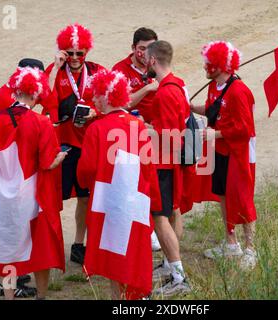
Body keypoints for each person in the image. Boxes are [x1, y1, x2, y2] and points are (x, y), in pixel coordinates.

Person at [0, 67, 66, 299]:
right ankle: (41, 296)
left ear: (15, 92)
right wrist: (60, 157)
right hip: (32, 198)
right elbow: (47, 163)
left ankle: (9, 296)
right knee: (39, 248)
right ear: (36, 94)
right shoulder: (40, 123)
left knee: (7, 247)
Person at [77, 69, 161, 299]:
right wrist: (151, 199)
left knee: (112, 252)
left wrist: (87, 185)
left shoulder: (96, 128)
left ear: (107, 96)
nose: (93, 99)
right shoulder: (138, 125)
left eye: (96, 94)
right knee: (133, 249)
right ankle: (135, 295)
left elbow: (85, 170)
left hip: (107, 202)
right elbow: (147, 167)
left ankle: (117, 297)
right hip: (135, 200)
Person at [190, 41, 257, 270]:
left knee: (242, 199)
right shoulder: (213, 87)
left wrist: (215, 134)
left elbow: (245, 129)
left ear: (221, 65)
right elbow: (211, 110)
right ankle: (231, 243)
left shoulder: (239, 91)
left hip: (237, 154)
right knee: (223, 196)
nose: (206, 66)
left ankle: (251, 249)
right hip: (219, 151)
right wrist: (188, 107)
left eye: (210, 63)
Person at [47, 23, 105, 265]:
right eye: (68, 52)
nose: (73, 58)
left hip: (89, 146)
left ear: (86, 52)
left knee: (85, 198)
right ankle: (49, 248)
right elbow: (42, 95)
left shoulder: (99, 72)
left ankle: (79, 244)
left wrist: (95, 113)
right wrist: (54, 67)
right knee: (52, 199)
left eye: (78, 53)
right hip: (63, 146)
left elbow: (113, 102)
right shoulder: (56, 71)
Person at [145, 40, 192, 296]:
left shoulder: (164, 92)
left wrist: (146, 129)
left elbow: (171, 135)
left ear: (153, 61)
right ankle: (171, 268)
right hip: (169, 162)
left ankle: (178, 276)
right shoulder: (177, 87)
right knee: (165, 217)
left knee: (160, 220)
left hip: (163, 163)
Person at [112, 27, 161, 252]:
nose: (145, 53)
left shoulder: (157, 64)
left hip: (156, 133)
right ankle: (141, 229)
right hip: (129, 136)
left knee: (155, 182)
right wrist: (147, 89)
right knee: (135, 183)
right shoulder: (119, 70)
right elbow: (121, 102)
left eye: (150, 48)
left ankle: (153, 227)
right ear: (133, 48)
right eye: (141, 49)